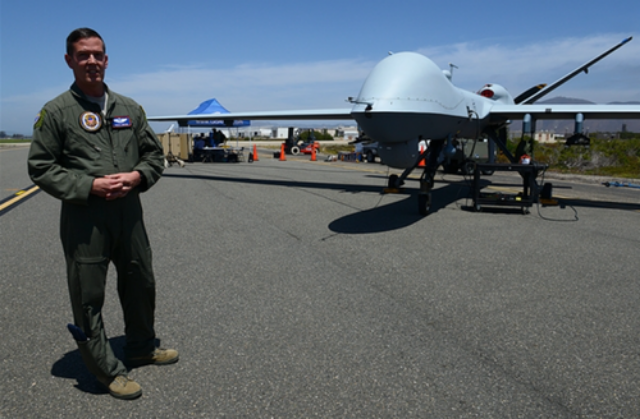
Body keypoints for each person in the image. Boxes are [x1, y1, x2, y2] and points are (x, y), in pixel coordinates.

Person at [28, 28, 178, 400]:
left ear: (106, 59)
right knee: (88, 296)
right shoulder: (57, 112)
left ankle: (141, 346)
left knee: (140, 281)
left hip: (129, 214)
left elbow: (154, 156)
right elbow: (41, 166)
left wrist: (137, 176)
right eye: (83, 55)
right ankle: (105, 370)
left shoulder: (129, 108)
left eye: (97, 54)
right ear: (69, 61)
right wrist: (88, 186)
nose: (92, 61)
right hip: (85, 219)